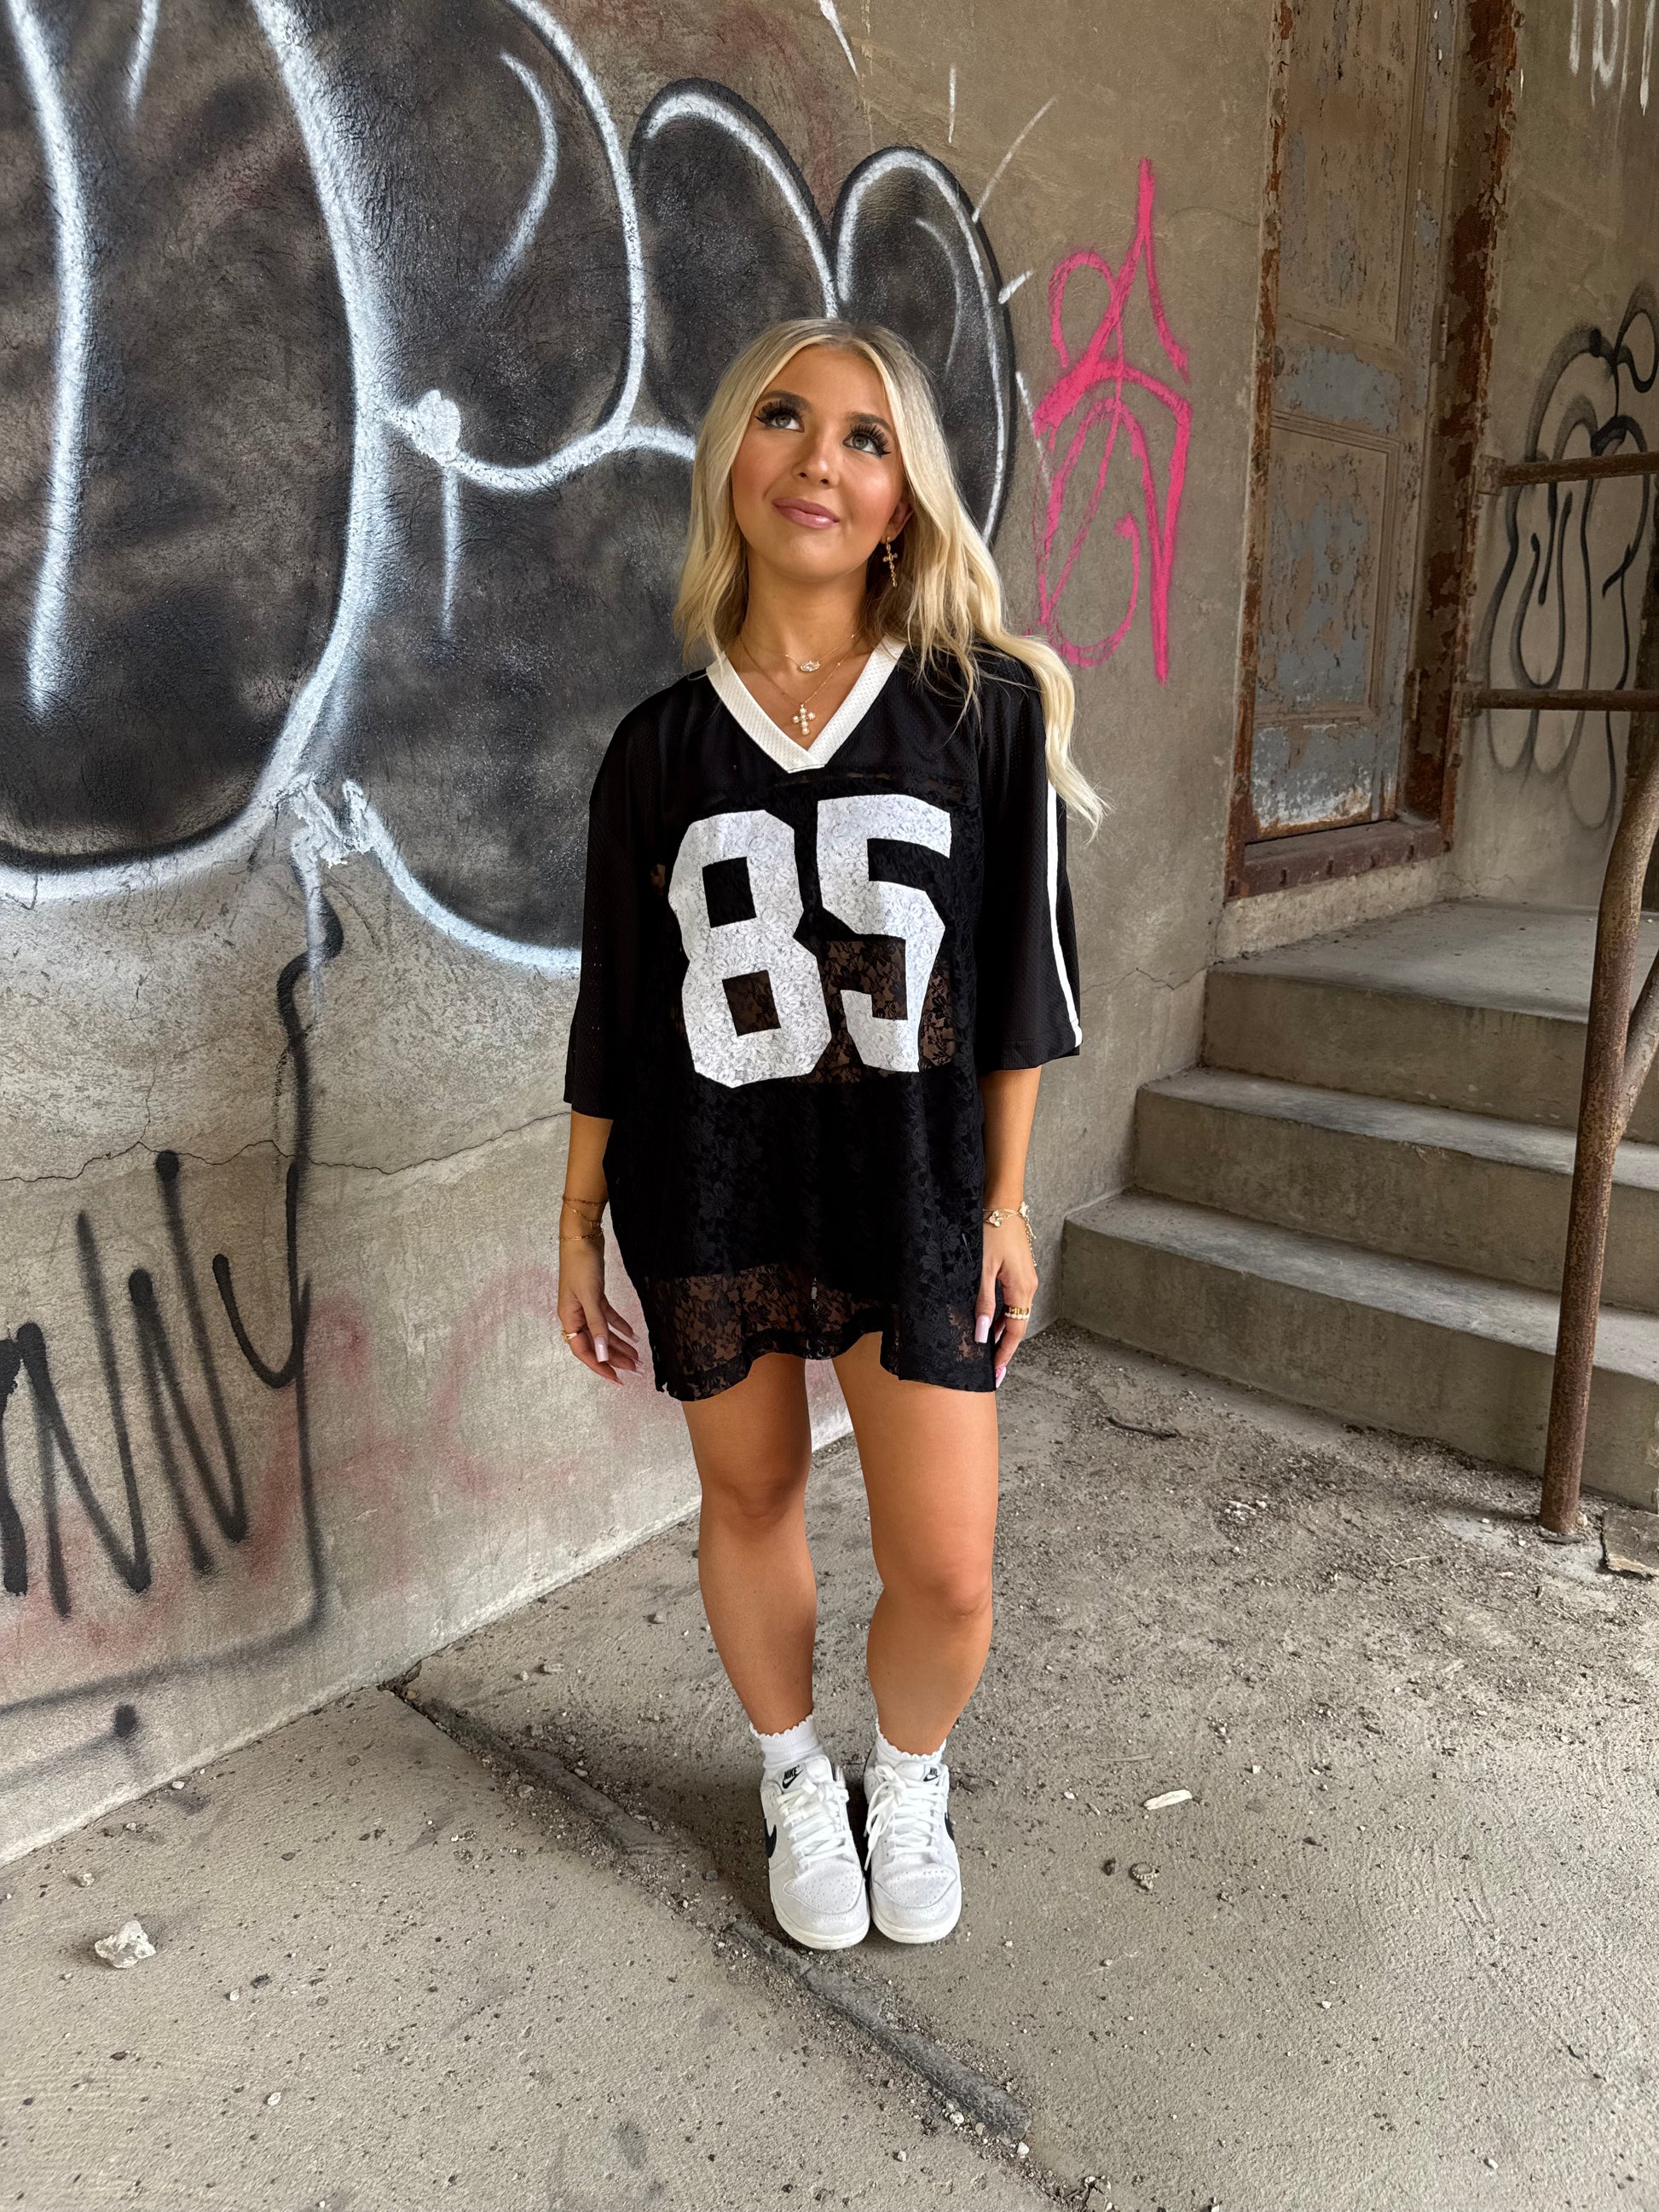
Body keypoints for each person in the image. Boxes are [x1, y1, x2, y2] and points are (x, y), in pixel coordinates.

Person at [557, 315, 1099, 1951]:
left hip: (913, 1189)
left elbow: (1017, 984)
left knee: (946, 1570)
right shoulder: (656, 748)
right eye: (785, 418)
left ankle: (906, 1775)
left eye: (867, 438)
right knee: (749, 1497)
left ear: (903, 496)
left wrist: (1004, 1205)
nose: (820, 461)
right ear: (731, 459)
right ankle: (793, 1772)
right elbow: (615, 1005)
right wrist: (576, 1216)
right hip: (709, 1186)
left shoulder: (982, 711)